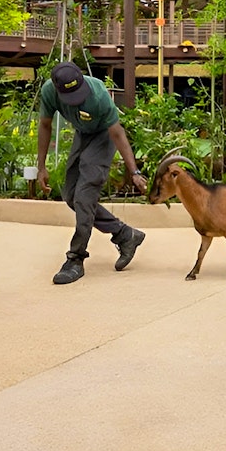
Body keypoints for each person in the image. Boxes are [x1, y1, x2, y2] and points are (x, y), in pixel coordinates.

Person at [36, 62, 147, 285]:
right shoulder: (49, 91)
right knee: (70, 196)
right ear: (58, 89)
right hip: (82, 135)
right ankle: (125, 235)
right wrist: (41, 167)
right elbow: (45, 125)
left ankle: (75, 259)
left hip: (103, 138)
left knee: (84, 196)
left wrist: (134, 171)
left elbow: (117, 133)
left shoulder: (98, 95)